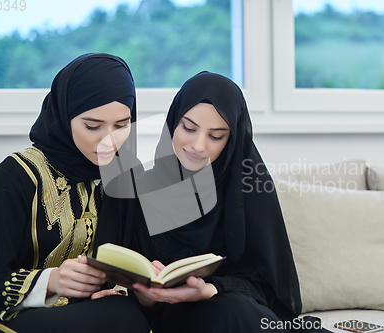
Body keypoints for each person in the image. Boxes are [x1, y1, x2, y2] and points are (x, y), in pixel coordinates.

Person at [130, 71, 330, 333]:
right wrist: (146, 294)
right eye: (188, 128)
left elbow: (267, 287)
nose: (198, 145)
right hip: (167, 320)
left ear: (231, 141)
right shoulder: (138, 191)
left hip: (226, 312)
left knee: (233, 309)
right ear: (172, 124)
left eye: (215, 136)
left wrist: (209, 289)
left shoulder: (247, 190)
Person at [0, 53, 149, 333]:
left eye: (122, 125)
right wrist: (51, 281)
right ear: (64, 116)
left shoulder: (125, 173)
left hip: (98, 312)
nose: (109, 141)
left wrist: (117, 290)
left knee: (124, 312)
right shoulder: (16, 175)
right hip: (20, 317)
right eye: (93, 126)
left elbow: (130, 262)